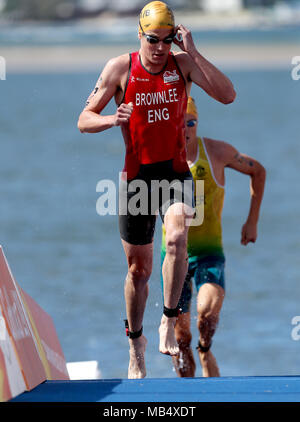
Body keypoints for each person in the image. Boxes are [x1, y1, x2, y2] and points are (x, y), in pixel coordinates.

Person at [77, 1, 236, 379]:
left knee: (178, 236)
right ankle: (136, 343)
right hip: (136, 179)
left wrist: (193, 52)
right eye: (154, 39)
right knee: (138, 270)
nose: (161, 47)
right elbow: (83, 120)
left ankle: (167, 318)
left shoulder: (182, 65)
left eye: (168, 39)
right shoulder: (120, 68)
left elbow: (228, 95)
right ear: (140, 35)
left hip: (176, 173)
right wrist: (109, 118)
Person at [161, 97, 266, 377]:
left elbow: (258, 171)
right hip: (173, 258)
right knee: (181, 339)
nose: (185, 130)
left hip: (209, 253)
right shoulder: (159, 156)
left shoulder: (217, 152)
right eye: (178, 124)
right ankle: (189, 395)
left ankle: (205, 348)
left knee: (206, 315)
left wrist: (252, 221)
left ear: (197, 123)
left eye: (191, 123)